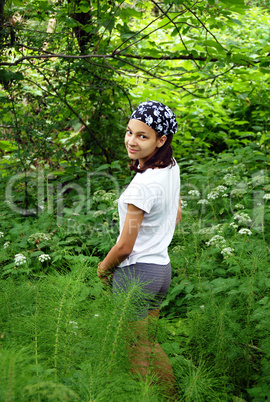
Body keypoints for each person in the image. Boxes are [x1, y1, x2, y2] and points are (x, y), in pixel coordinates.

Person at [97, 100, 181, 399]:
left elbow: (125, 246)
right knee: (148, 344)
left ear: (161, 139)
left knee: (137, 351)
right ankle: (169, 395)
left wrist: (103, 269)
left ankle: (157, 397)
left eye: (142, 136)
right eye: (130, 132)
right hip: (161, 270)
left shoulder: (142, 186)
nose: (132, 141)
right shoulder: (170, 168)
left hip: (136, 274)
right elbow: (176, 212)